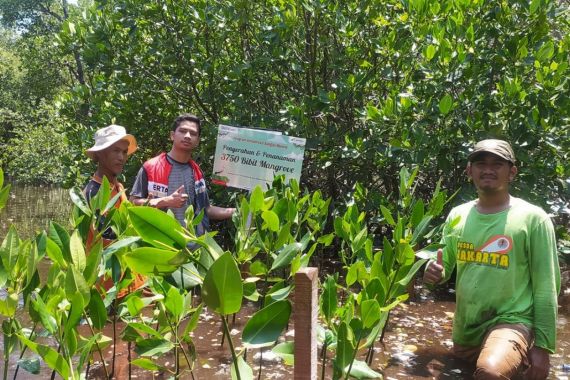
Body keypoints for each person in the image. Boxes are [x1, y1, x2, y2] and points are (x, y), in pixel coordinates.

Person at [423, 139, 560, 380]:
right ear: (469, 171)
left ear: (512, 172)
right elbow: (445, 265)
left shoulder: (533, 219)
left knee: (489, 372)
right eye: (480, 163)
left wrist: (543, 347)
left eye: (497, 164)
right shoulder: (458, 215)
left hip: (513, 320)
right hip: (467, 327)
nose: (488, 169)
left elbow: (546, 286)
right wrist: (432, 271)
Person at [130, 113, 235, 235]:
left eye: (193, 133)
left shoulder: (197, 172)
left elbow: (206, 210)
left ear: (198, 141)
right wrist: (164, 201)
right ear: (172, 135)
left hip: (194, 245)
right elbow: (132, 203)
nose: (187, 136)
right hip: (162, 243)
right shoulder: (151, 167)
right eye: (183, 131)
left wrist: (237, 211)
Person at [84, 124, 145, 296]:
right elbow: (110, 235)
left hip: (126, 280)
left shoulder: (118, 187)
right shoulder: (93, 192)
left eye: (124, 152)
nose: (121, 157)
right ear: (100, 154)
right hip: (106, 287)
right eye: (115, 151)